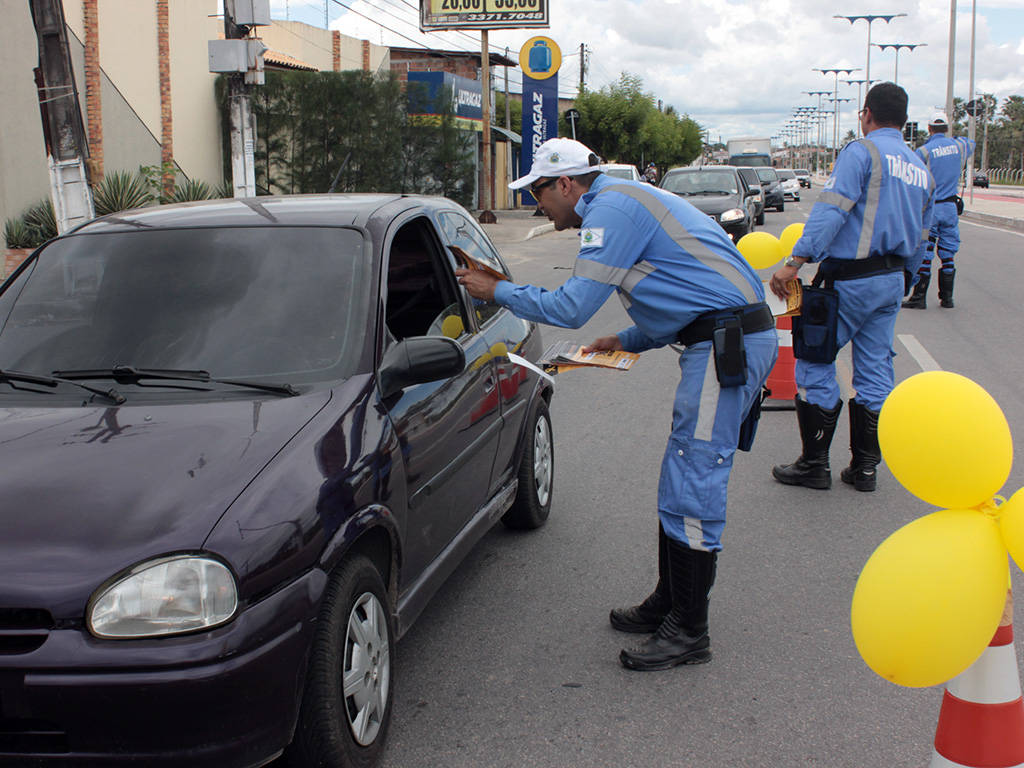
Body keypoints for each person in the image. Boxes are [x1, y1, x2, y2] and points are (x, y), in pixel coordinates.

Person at [455, 137, 778, 671]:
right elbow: (683, 291)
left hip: (727, 345)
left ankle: (689, 630)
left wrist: (498, 292)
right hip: (720, 337)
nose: (538, 205)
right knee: (680, 476)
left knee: (695, 478)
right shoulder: (620, 202)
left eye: (538, 192)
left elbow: (574, 306)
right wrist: (626, 340)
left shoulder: (610, 209)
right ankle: (669, 604)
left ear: (565, 183)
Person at [770, 82, 934, 493]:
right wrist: (906, 278)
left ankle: (814, 464)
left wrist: (795, 263)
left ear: (867, 114)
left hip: (849, 282)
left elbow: (831, 211)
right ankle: (864, 469)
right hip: (892, 281)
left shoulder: (862, 153)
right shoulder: (921, 170)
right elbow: (923, 235)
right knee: (875, 372)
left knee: (814, 361)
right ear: (904, 118)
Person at [902, 112, 976, 309]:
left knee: (926, 250)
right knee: (948, 250)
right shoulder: (960, 146)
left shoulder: (923, 152)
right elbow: (971, 142)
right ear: (946, 128)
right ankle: (947, 298)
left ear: (929, 129)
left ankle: (919, 298)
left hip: (931, 208)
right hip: (951, 208)